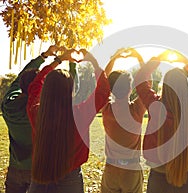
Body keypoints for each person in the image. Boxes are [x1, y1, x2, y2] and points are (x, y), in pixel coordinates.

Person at [26, 49, 110, 193]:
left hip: (40, 174)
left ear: (45, 90)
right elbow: (103, 90)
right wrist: (94, 63)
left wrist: (57, 61)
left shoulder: (36, 112)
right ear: (71, 90)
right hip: (70, 177)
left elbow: (35, 85)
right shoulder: (80, 113)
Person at [135, 50, 188, 193]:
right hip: (184, 174)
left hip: (158, 174)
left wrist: (156, 61)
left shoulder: (155, 106)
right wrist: (187, 62)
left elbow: (140, 81)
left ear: (165, 86)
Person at [1, 45, 68, 193]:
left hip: (15, 168)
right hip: (38, 171)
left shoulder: (8, 105)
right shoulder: (42, 111)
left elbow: (19, 79)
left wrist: (44, 56)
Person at [100, 48, 146, 193]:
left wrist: (113, 58)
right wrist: (139, 58)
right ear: (130, 88)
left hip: (111, 169)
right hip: (131, 170)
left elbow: (102, 83)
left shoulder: (107, 110)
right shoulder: (137, 110)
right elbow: (146, 84)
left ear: (111, 89)